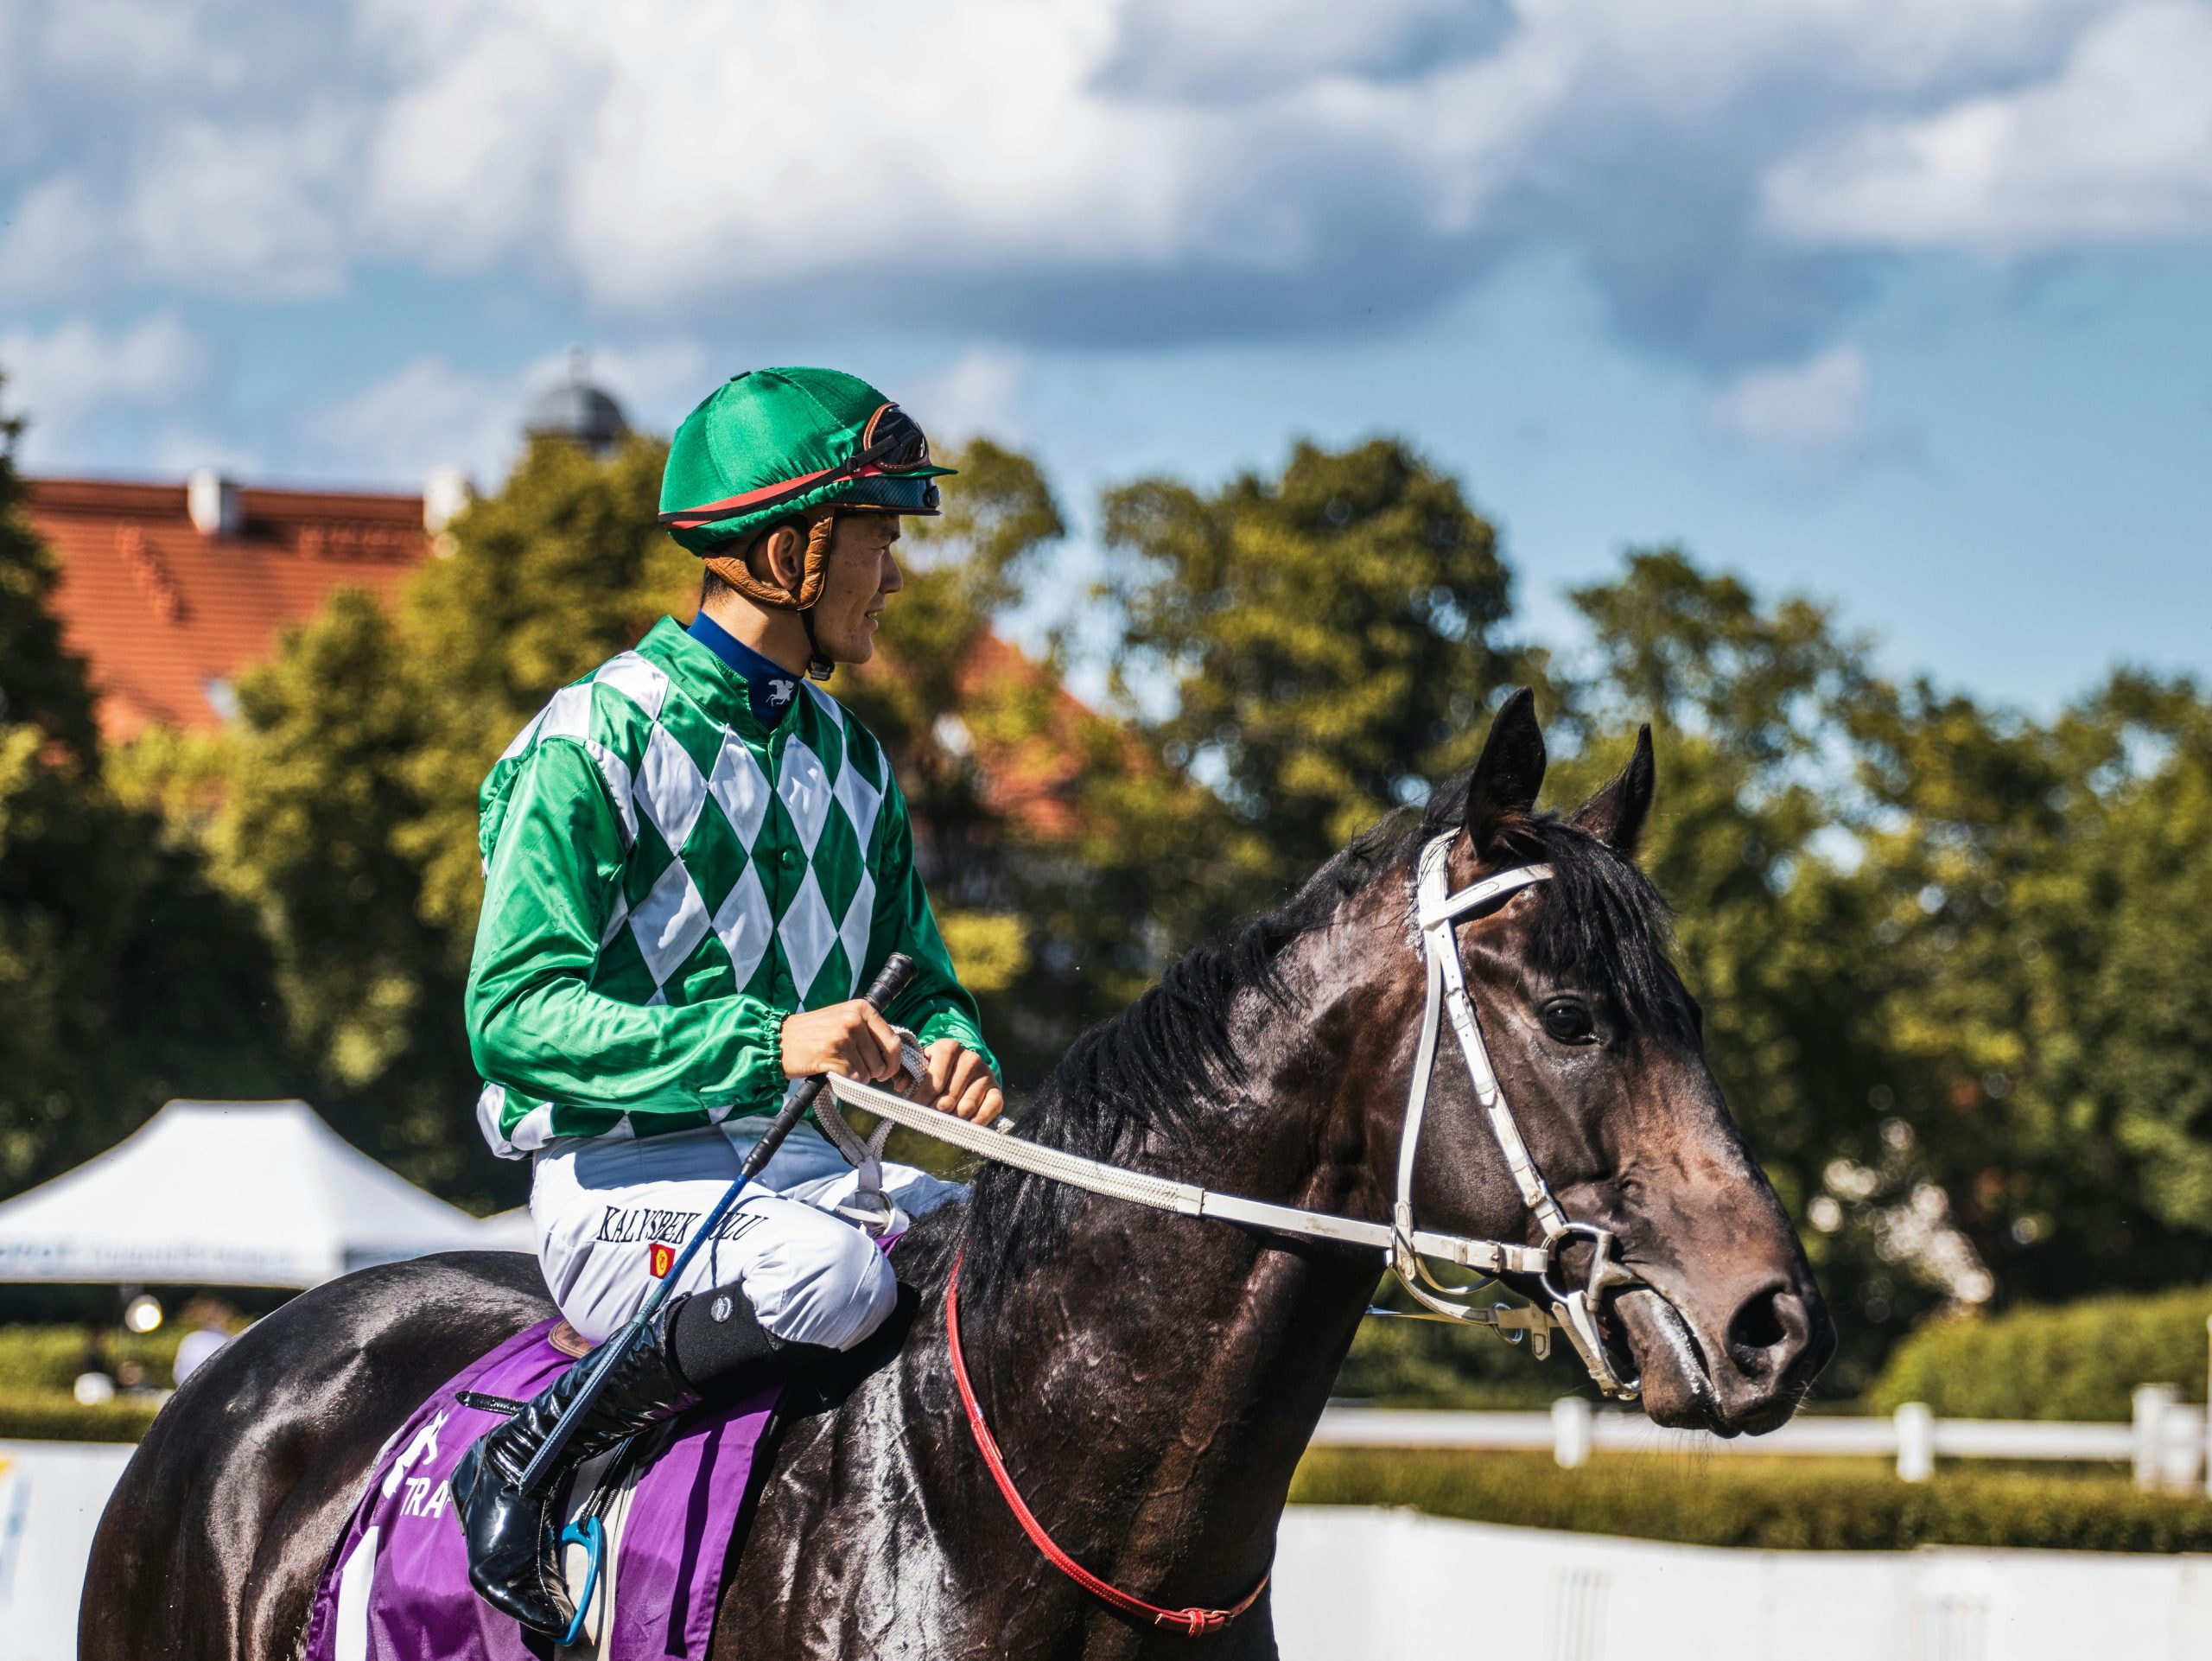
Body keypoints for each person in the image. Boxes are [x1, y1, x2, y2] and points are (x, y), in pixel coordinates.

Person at [452, 368, 1005, 1635]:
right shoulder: (589, 739)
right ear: (787, 550)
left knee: (1012, 1240)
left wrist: (953, 1050)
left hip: (804, 1172)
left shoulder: (854, 759)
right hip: (621, 1184)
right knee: (834, 1279)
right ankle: (533, 1456)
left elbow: (925, 973)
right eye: (879, 538)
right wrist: (769, 1040)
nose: (896, 575)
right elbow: (516, 1015)